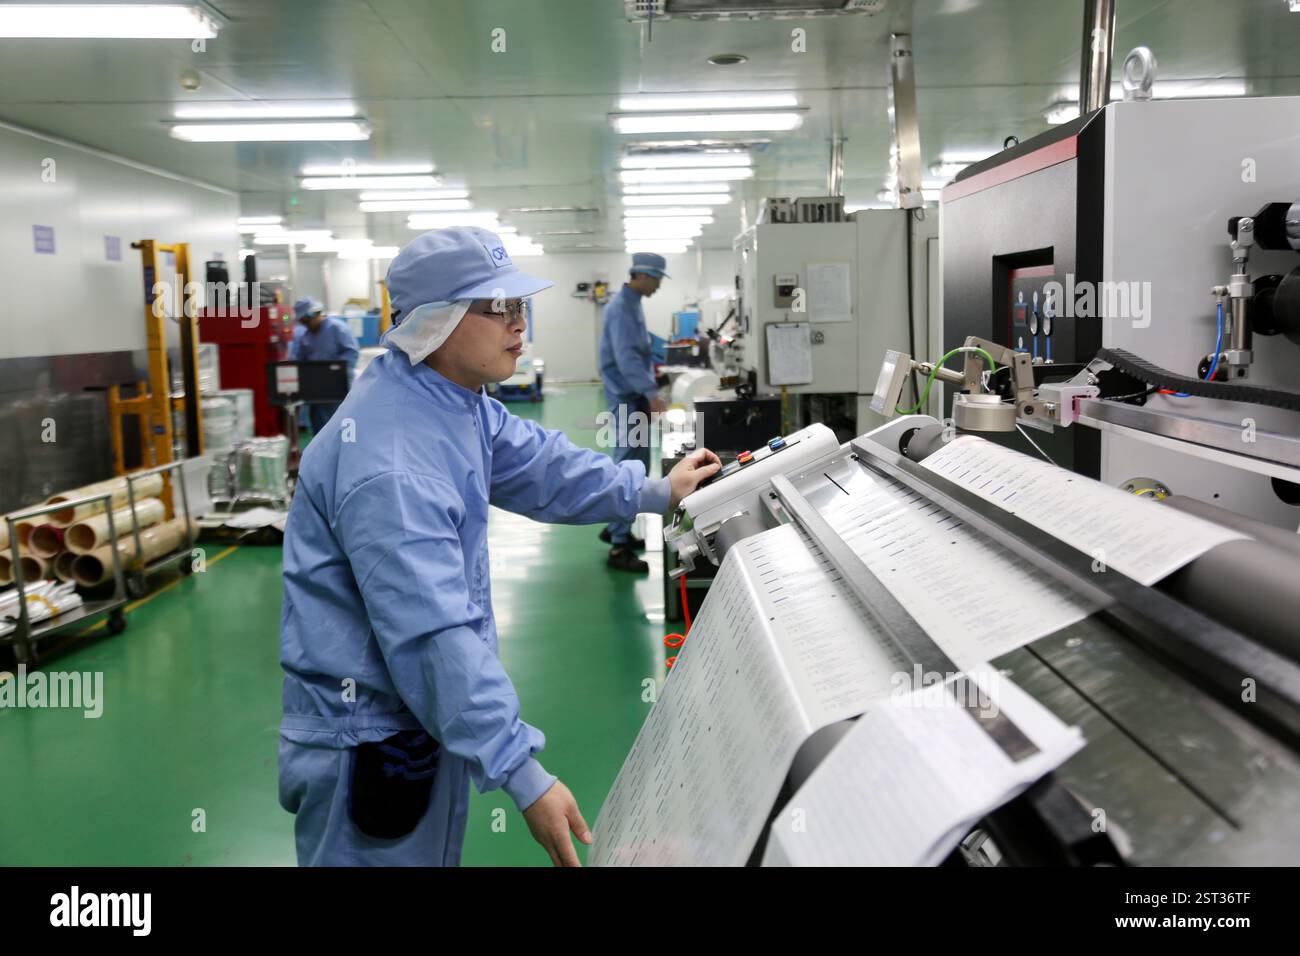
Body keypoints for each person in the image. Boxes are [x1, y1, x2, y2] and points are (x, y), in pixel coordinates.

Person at [277, 227, 721, 867]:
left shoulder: (451, 401)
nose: (519, 325)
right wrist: (520, 768)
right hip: (368, 741)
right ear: (438, 320)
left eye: (521, 308)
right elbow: (431, 631)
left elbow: (544, 467)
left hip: (419, 718)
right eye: (499, 309)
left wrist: (654, 490)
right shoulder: (392, 460)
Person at [597, 252, 669, 573]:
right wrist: (652, 393)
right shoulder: (623, 309)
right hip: (629, 397)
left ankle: (615, 527)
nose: (657, 286)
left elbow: (640, 347)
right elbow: (627, 360)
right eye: (655, 279)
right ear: (640, 275)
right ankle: (618, 544)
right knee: (628, 467)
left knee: (637, 464)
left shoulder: (632, 303)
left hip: (633, 395)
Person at [287, 297, 360, 434]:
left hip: (337, 384)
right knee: (318, 421)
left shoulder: (337, 329)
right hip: (317, 388)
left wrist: (334, 370)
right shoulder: (307, 336)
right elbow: (301, 358)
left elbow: (352, 352)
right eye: (302, 322)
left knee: (337, 420)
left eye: (306, 321)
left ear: (315, 315)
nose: (305, 326)